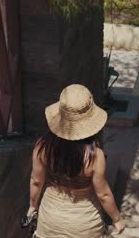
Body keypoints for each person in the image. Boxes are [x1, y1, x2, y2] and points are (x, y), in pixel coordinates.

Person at [26, 84, 126, 237]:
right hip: (85, 225)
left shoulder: (43, 146)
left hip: (50, 220)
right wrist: (117, 219)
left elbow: (36, 181)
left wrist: (33, 206)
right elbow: (104, 194)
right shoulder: (95, 156)